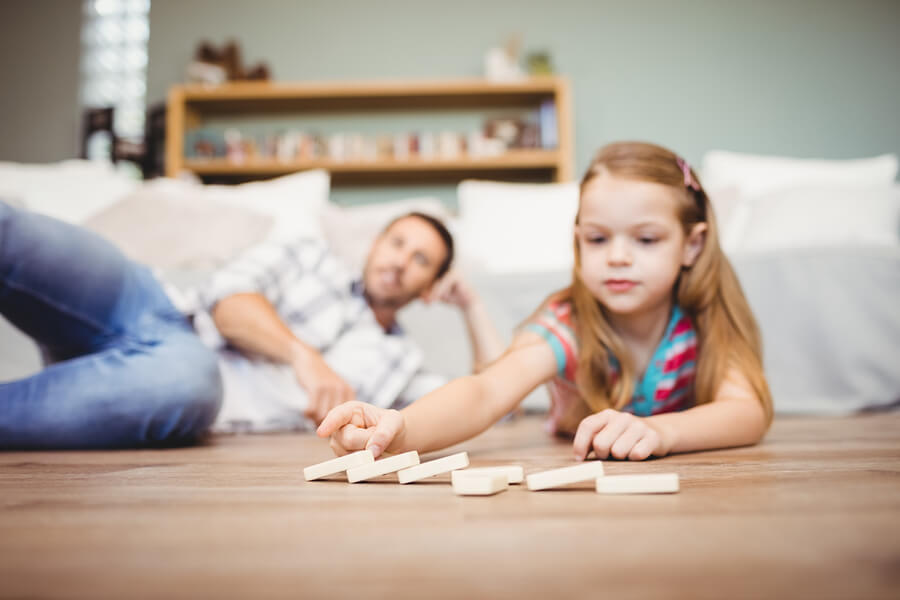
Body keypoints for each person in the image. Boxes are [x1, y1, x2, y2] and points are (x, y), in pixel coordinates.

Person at [317, 141, 774, 461]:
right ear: (578, 241)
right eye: (597, 239)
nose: (617, 257)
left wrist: (661, 432)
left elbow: (747, 412)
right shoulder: (568, 321)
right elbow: (486, 391)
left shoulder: (706, 312)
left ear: (692, 245)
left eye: (646, 239)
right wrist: (399, 428)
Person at [0, 203, 502, 449]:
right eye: (396, 242)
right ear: (375, 243)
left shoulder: (400, 364)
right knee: (14, 234)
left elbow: (493, 393)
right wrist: (303, 356)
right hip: (151, 306)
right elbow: (226, 304)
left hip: (182, 385)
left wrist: (472, 305)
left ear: (429, 286)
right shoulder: (307, 254)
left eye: (420, 260)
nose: (399, 262)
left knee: (192, 380)